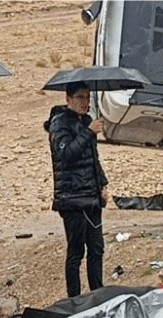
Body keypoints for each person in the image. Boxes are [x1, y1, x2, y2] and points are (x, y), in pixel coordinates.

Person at [45, 81, 110, 297]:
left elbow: (93, 158)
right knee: (76, 252)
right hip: (72, 197)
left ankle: (97, 294)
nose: (85, 102)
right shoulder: (59, 123)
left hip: (91, 195)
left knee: (97, 248)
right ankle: (73, 298)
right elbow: (67, 154)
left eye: (87, 97)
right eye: (80, 97)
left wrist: (102, 184)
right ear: (68, 99)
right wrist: (89, 133)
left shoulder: (87, 121)